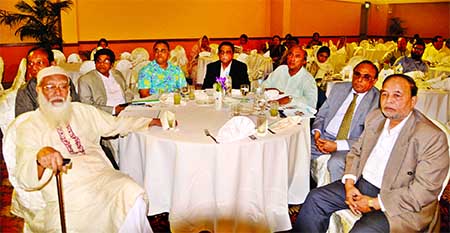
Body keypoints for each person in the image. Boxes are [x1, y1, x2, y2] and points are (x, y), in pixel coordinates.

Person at [10, 66, 160, 232]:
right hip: (67, 192)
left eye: (63, 86)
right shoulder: (30, 125)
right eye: (50, 87)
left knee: (132, 192)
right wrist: (40, 159)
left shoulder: (83, 111)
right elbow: (24, 177)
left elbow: (117, 124)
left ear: (69, 89)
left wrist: (148, 122)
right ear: (39, 90)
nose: (58, 92)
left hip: (102, 177)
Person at [294, 74, 449, 232]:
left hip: (401, 201)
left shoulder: (431, 136)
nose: (388, 100)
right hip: (364, 184)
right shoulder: (375, 118)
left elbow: (425, 190)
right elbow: (356, 152)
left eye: (397, 95)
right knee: (316, 198)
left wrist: (373, 203)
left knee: (364, 230)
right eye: (384, 94)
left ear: (413, 101)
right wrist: (349, 184)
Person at [311, 60, 380, 182]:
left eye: (366, 77)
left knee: (336, 162)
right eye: (357, 74)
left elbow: (370, 137)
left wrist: (337, 145)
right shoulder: (338, 88)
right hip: (323, 136)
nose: (359, 79)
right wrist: (317, 133)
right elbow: (321, 115)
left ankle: (333, 198)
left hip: (350, 144)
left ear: (374, 81)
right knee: (297, 148)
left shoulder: (378, 101)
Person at [15, 46, 79, 117]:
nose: (33, 68)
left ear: (52, 64)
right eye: (30, 63)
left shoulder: (65, 82)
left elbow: (76, 109)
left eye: (39, 63)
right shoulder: (25, 90)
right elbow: (25, 120)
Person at [78, 48, 132, 115]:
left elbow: (127, 91)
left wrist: (127, 105)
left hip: (126, 110)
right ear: (95, 63)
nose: (102, 64)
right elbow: (87, 105)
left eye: (106, 61)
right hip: (104, 114)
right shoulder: (85, 80)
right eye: (99, 61)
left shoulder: (117, 74)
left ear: (112, 64)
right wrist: (113, 110)